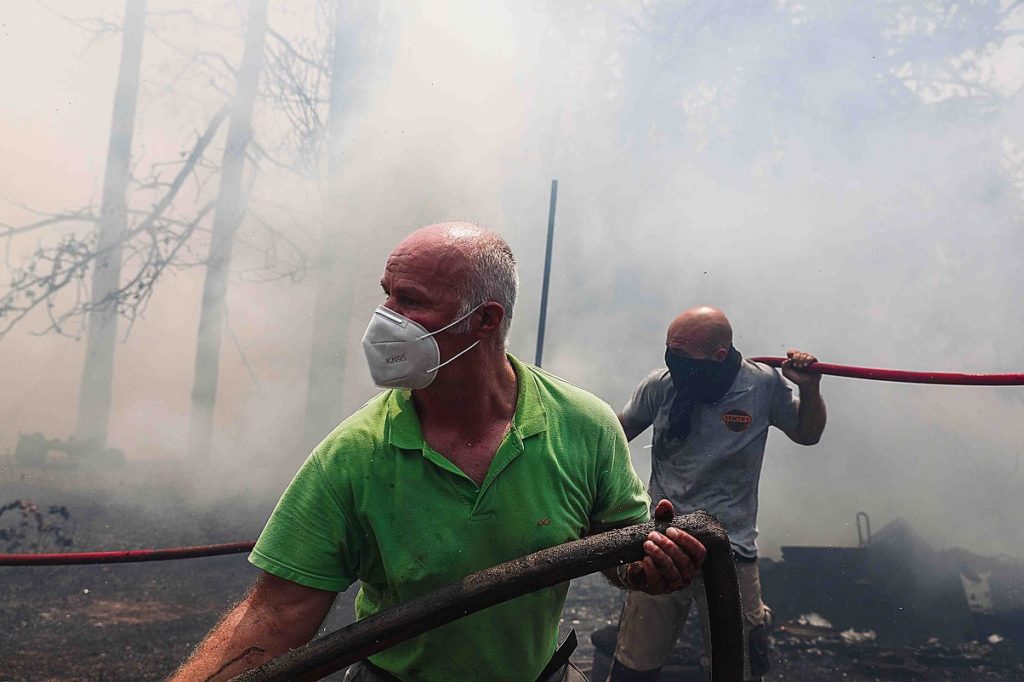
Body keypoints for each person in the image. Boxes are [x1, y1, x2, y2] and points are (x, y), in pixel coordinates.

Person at [172, 223, 707, 682]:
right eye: (387, 294)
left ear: (486, 319)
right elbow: (274, 616)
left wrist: (650, 568)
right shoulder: (355, 455)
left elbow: (619, 550)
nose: (385, 318)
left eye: (410, 301)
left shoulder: (585, 426)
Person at [609, 306, 826, 682]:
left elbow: (808, 433)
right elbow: (612, 439)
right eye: (669, 350)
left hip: (732, 549)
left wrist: (810, 388)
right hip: (662, 542)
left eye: (682, 352)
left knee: (737, 668)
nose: (673, 360)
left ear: (718, 354)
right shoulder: (661, 386)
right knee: (634, 664)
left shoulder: (762, 386)